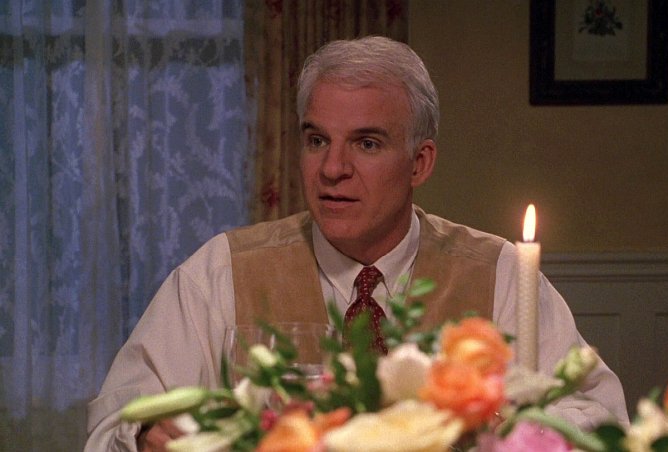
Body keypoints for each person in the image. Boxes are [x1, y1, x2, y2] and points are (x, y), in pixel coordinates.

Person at [85, 36, 628, 451]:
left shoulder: (500, 275)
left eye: (366, 143)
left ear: (420, 163)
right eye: (317, 140)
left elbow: (597, 419)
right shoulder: (223, 270)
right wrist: (147, 433)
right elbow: (118, 417)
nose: (332, 169)